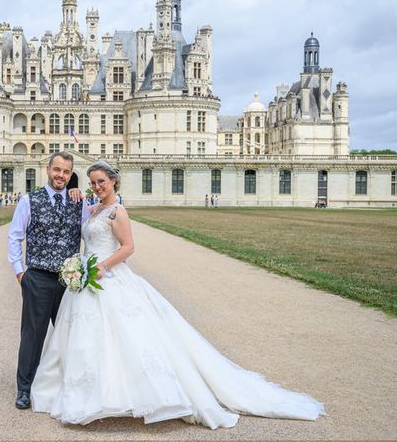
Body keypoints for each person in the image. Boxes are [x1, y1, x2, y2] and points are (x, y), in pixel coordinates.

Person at [30, 160, 325, 429]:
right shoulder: (93, 208)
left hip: (107, 276)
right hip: (89, 279)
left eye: (101, 182)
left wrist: (100, 268)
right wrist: (83, 260)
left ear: (114, 182)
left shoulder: (118, 211)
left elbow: (128, 248)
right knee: (88, 339)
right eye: (92, 182)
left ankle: (122, 394)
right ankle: (91, 390)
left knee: (125, 338)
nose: (96, 187)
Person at [7, 152, 90, 411]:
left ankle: (71, 384)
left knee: (71, 335)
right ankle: (24, 388)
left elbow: (91, 235)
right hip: (38, 277)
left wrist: (83, 270)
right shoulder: (29, 200)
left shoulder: (80, 202)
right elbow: (14, 237)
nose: (61, 176)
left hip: (68, 281)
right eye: (57, 170)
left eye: (66, 172)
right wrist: (21, 273)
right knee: (33, 335)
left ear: (71, 174)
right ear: (48, 169)